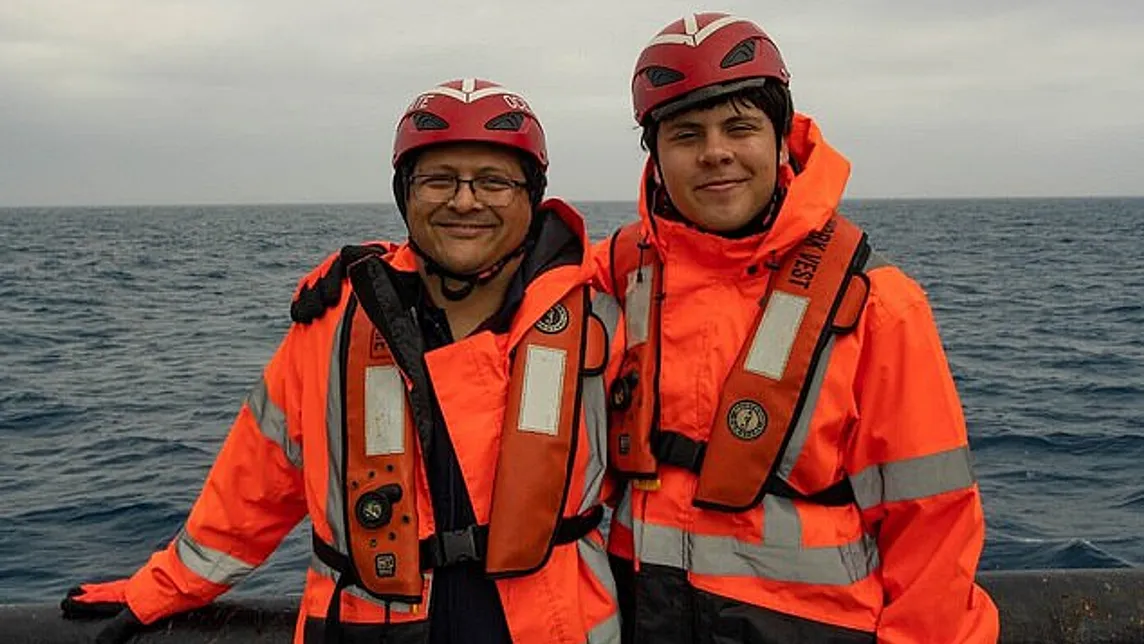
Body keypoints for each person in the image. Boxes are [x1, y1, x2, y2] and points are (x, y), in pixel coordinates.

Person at [60, 78, 623, 644]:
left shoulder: (602, 311)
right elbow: (253, 485)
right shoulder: (333, 322)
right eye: (438, 179)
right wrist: (158, 589)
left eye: (495, 181)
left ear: (534, 194)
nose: (465, 200)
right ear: (405, 193)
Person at [597, 13, 1000, 643]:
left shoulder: (877, 304)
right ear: (655, 155)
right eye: (684, 134)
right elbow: (491, 286)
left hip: (811, 626)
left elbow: (933, 523)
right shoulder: (615, 274)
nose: (715, 153)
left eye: (740, 127)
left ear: (782, 138)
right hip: (640, 615)